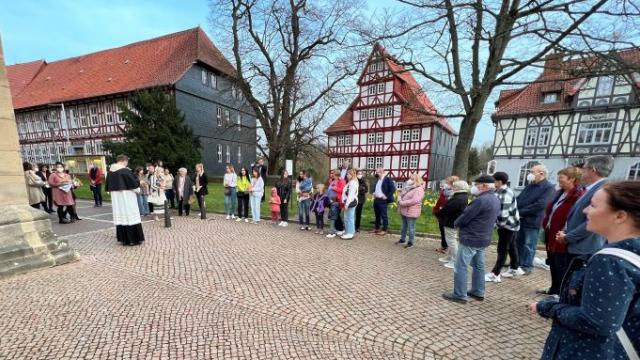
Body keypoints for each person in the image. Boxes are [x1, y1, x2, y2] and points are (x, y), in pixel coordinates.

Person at [530, 181, 640, 359]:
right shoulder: (633, 251)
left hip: (588, 351)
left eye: (593, 205)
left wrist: (549, 307)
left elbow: (598, 321)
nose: (585, 210)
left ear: (620, 216)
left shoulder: (609, 261)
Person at [442, 175, 500, 304]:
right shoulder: (495, 199)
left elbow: (465, 216)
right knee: (479, 266)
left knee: (460, 266)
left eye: (477, 185)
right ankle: (478, 291)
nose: (474, 187)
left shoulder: (481, 200)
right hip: (483, 238)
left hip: (471, 238)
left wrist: (456, 223)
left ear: (484, 186)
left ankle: (459, 294)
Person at [556, 155, 614, 266]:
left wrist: (568, 237)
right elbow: (576, 216)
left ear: (593, 170)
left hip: (584, 248)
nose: (582, 171)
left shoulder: (603, 190)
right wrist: (565, 231)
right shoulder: (592, 188)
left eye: (584, 168)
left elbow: (594, 221)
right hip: (577, 246)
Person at [539, 167, 585, 296]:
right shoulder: (560, 193)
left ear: (572, 179)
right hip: (551, 233)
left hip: (562, 235)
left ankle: (560, 293)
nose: (559, 180)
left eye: (562, 178)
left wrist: (566, 233)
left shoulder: (578, 195)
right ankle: (554, 289)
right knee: (553, 263)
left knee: (561, 266)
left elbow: (574, 217)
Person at [516, 164, 555, 275]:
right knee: (518, 242)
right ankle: (517, 263)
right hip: (521, 219)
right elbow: (519, 198)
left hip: (533, 221)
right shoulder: (530, 186)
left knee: (529, 244)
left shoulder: (549, 188)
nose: (530, 174)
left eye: (532, 172)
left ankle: (526, 266)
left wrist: (521, 211)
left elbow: (541, 204)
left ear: (541, 173)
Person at [485, 172, 523, 283]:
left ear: (499, 182)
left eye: (494, 181)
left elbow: (503, 214)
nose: (493, 183)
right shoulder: (498, 191)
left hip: (508, 225)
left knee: (502, 249)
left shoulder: (506, 193)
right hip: (509, 224)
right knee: (511, 246)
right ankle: (515, 267)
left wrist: (495, 226)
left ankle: (495, 274)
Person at [105, 155, 145, 246]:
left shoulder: (110, 172)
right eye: (127, 161)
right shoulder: (125, 170)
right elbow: (134, 184)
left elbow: (109, 186)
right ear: (124, 161)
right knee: (130, 216)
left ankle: (124, 240)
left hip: (117, 199)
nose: (127, 163)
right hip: (127, 198)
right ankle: (133, 240)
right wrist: (140, 183)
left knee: (121, 217)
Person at [436, 180, 470, 268]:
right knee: (450, 240)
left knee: (452, 241)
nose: (452, 188)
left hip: (452, 221)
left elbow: (448, 208)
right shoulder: (461, 196)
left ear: (458, 188)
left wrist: (439, 212)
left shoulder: (459, 198)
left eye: (454, 186)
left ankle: (455, 260)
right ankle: (450, 256)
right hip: (451, 220)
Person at [397, 174, 426, 248]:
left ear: (416, 180)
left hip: (412, 211)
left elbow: (414, 200)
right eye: (410, 178)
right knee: (404, 226)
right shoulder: (408, 187)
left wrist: (401, 202)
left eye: (412, 179)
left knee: (411, 227)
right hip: (404, 210)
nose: (409, 180)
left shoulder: (419, 189)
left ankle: (410, 242)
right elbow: (401, 194)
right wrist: (400, 196)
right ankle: (402, 239)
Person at [433, 176, 459, 254]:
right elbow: (439, 201)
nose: (446, 184)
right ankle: (444, 246)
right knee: (442, 230)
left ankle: (448, 249)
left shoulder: (454, 193)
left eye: (447, 182)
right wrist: (436, 210)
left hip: (448, 214)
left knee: (447, 232)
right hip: (441, 213)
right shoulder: (444, 191)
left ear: (452, 183)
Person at [371, 167, 395, 236]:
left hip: (383, 200)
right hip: (376, 199)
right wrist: (374, 193)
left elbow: (393, 189)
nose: (376, 173)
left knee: (384, 215)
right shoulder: (378, 180)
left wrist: (386, 196)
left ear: (381, 172)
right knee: (377, 215)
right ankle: (377, 228)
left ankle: (384, 229)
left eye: (377, 172)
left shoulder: (387, 179)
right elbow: (377, 188)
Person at [341, 169, 359, 240]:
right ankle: (348, 231)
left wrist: (347, 204)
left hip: (350, 202)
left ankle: (350, 233)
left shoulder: (353, 183)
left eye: (349, 174)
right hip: (347, 202)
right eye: (347, 174)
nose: (347, 175)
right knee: (347, 217)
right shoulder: (350, 182)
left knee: (350, 218)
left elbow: (351, 195)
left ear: (352, 175)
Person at [327, 169, 346, 235]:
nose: (332, 175)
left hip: (337, 201)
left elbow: (343, 190)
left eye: (333, 174)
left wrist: (335, 188)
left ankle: (340, 229)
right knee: (336, 215)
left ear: (337, 175)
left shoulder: (341, 181)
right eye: (331, 174)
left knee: (336, 215)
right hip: (331, 200)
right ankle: (339, 228)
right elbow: (329, 189)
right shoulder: (331, 181)